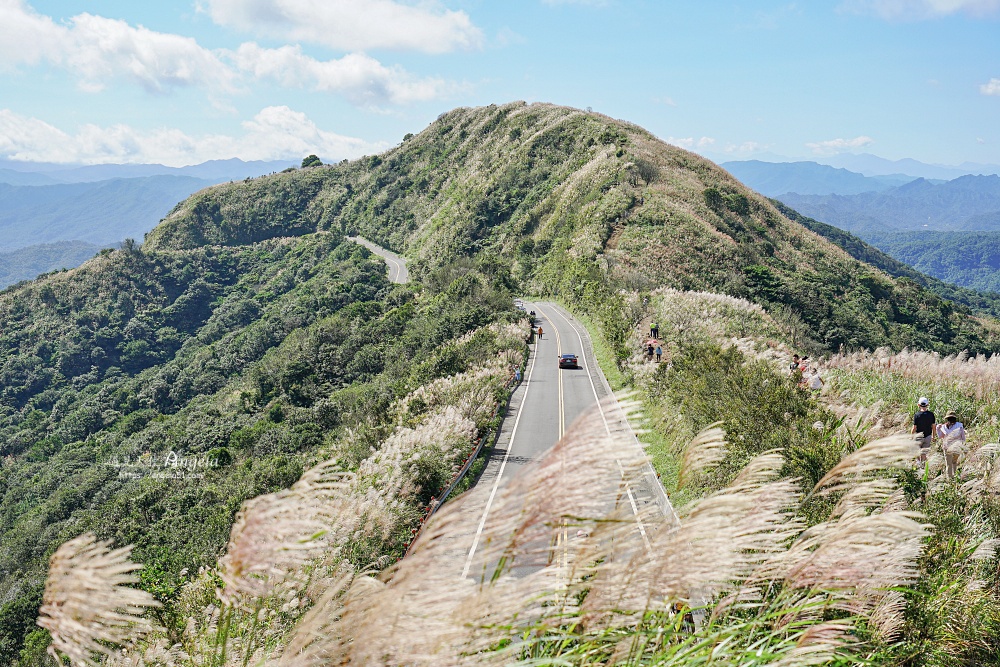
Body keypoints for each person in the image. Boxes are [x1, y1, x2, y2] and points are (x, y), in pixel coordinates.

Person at [936, 410, 966, 479]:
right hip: (952, 447)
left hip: (951, 447)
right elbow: (963, 437)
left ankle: (951, 478)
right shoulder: (957, 425)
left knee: (950, 464)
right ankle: (952, 478)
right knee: (952, 463)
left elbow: (941, 436)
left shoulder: (955, 426)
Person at [911, 397, 936, 463]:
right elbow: (933, 426)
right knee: (924, 454)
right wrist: (933, 436)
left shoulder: (917, 415)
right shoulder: (931, 414)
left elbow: (914, 427)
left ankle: (919, 465)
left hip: (919, 436)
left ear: (918, 405)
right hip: (928, 436)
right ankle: (924, 468)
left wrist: (911, 436)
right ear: (927, 405)